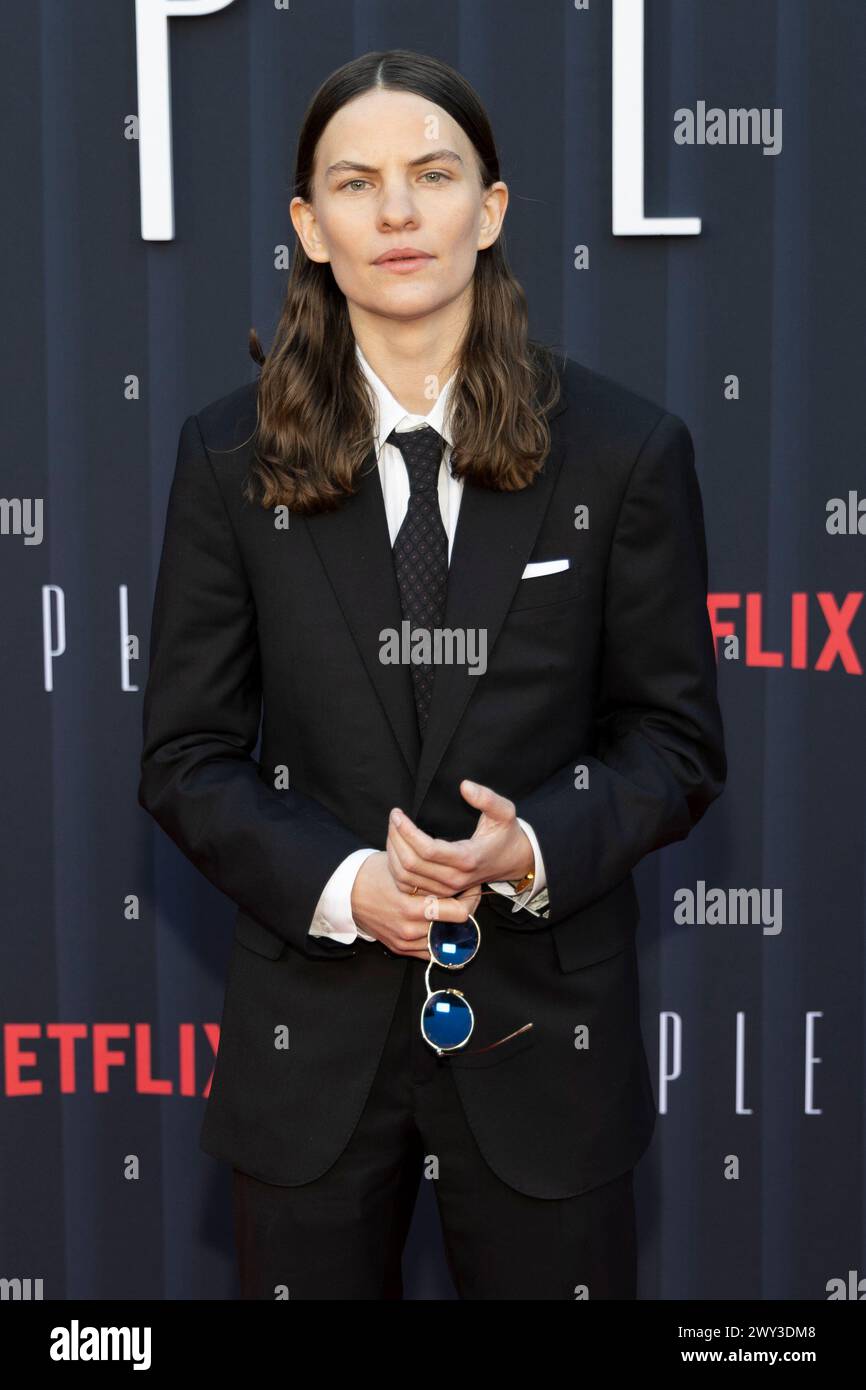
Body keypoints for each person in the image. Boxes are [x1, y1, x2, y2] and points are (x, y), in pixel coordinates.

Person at [138, 49, 726, 1300]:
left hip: (546, 1057)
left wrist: (528, 852)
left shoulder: (624, 454)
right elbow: (184, 755)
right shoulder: (227, 458)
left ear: (491, 209)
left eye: (432, 174)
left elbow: (674, 744)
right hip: (309, 1063)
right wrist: (350, 883)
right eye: (355, 183)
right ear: (309, 226)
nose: (397, 213)